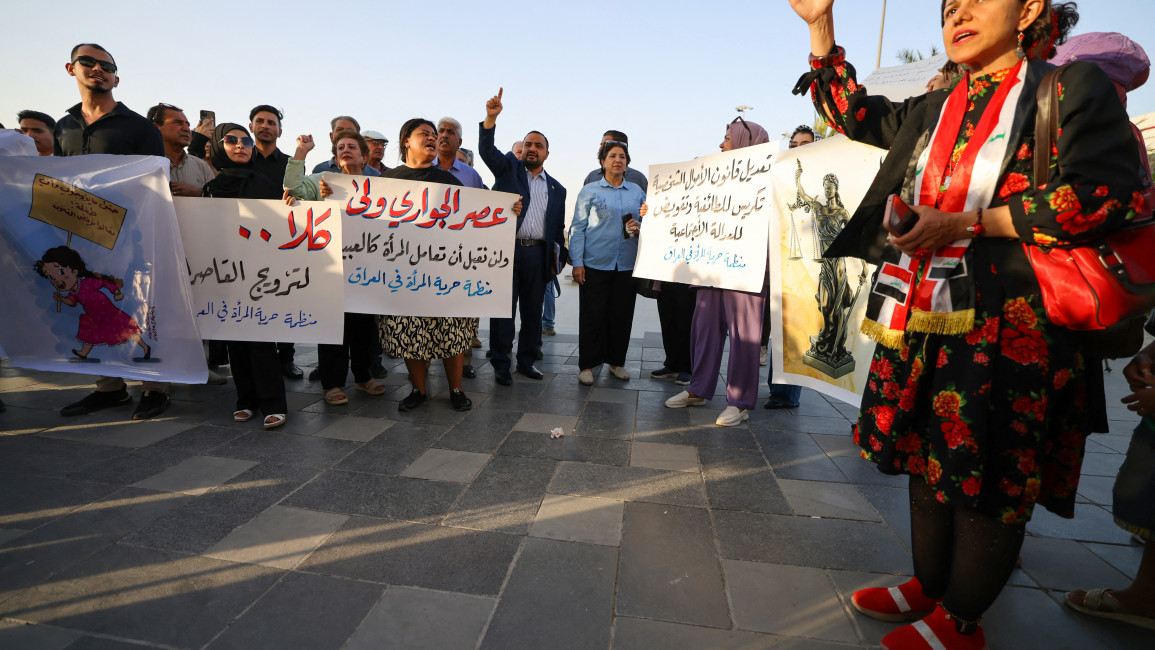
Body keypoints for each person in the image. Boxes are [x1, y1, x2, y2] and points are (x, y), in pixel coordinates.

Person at [788, 1, 1143, 647]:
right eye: (948, 6)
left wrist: (971, 223)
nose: (958, 13)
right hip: (924, 313)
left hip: (1016, 326)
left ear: (1028, 8)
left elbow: (1104, 194)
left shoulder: (1068, 87)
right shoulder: (934, 105)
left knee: (986, 468)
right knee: (927, 454)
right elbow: (852, 112)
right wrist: (819, 26)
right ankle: (928, 586)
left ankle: (961, 618)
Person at [54, 43, 170, 420]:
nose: (97, 69)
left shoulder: (138, 127)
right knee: (90, 309)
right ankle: (108, 387)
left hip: (134, 236)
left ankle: (154, 387)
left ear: (116, 78)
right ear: (71, 68)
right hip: (82, 239)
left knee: (141, 307)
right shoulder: (64, 126)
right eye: (88, 62)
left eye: (106, 66)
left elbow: (157, 181)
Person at [665, 118, 772, 426]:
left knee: (745, 336)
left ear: (745, 143)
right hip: (711, 266)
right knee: (704, 329)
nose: (721, 144)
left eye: (727, 138)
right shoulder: (712, 178)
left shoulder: (770, 180)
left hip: (747, 271)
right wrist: (658, 209)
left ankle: (739, 402)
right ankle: (698, 389)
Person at [379, 118, 478, 412]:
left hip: (444, 274)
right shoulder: (388, 182)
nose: (433, 139)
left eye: (435, 135)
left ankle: (456, 389)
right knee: (411, 334)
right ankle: (419, 390)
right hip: (403, 275)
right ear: (406, 141)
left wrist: (508, 212)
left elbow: (476, 218)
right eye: (425, 134)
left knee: (452, 332)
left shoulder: (449, 181)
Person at [284, 129, 387, 405]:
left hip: (366, 268)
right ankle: (332, 384)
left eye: (352, 146)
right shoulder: (322, 181)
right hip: (331, 267)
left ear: (364, 156)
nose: (345, 150)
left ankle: (363, 378)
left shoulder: (379, 186)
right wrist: (301, 153)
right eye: (340, 147)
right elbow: (293, 189)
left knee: (364, 327)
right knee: (334, 327)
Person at [201, 123, 288, 430]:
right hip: (225, 275)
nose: (241, 145)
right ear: (217, 145)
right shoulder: (211, 189)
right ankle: (246, 401)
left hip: (259, 274)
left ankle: (274, 403)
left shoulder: (264, 183)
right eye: (232, 140)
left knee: (262, 341)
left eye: (246, 141)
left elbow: (279, 225)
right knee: (236, 342)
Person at [478, 88, 567, 386]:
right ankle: (501, 362)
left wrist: (559, 260)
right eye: (528, 143)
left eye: (538, 145)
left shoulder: (558, 189)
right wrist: (491, 118)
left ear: (546, 153)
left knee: (532, 313)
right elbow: (487, 152)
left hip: (538, 256)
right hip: (507, 252)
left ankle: (527, 361)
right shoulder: (509, 170)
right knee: (503, 311)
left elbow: (557, 229)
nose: (532, 148)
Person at [570, 140, 646, 385]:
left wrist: (640, 226)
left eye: (622, 156)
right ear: (603, 162)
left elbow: (651, 222)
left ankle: (616, 362)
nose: (618, 160)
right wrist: (577, 263)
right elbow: (578, 228)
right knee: (593, 315)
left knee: (622, 314)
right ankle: (587, 365)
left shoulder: (636, 192)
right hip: (595, 263)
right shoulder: (590, 191)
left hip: (626, 264)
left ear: (627, 163)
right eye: (612, 155)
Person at [247, 104, 303, 381]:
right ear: (251, 127)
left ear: (280, 131)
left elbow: (302, 200)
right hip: (248, 242)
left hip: (284, 243)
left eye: (271, 122)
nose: (266, 126)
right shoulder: (241, 160)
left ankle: (286, 358)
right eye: (260, 121)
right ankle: (259, 359)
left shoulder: (289, 165)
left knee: (285, 299)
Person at [762, 126, 813, 408]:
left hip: (807, 265)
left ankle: (785, 393)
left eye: (805, 143)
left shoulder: (823, 177)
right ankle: (776, 389)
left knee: (795, 329)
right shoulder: (778, 175)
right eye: (793, 143)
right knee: (779, 329)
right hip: (777, 261)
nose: (797, 147)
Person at [434, 116, 485, 379]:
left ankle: (463, 363)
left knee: (460, 312)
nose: (444, 135)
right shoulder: (418, 168)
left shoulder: (471, 176)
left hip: (459, 255)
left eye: (450, 132)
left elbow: (487, 209)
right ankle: (422, 362)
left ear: (459, 141)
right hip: (424, 254)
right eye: (440, 131)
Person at [149, 104, 215, 198]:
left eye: (187, 125)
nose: (186, 129)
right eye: (178, 123)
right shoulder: (146, 165)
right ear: (156, 127)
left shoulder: (201, 166)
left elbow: (217, 202)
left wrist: (200, 193)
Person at [311, 116, 380, 176]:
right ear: (331, 136)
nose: (344, 133)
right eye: (339, 130)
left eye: (350, 131)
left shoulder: (375, 175)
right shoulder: (320, 170)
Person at [582, 130, 648, 191]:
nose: (600, 148)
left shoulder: (639, 179)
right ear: (603, 161)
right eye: (601, 144)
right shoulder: (592, 177)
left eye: (605, 144)